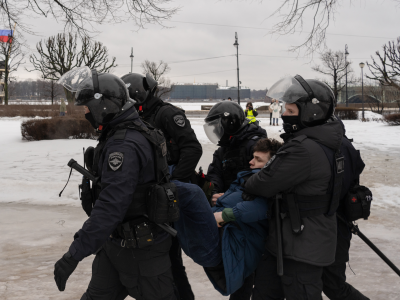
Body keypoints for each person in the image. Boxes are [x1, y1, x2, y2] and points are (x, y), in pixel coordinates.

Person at [54, 66, 176, 300]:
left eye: (88, 107)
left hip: (142, 253)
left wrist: (74, 254)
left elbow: (111, 206)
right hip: (117, 245)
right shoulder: (127, 130)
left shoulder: (124, 146)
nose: (87, 113)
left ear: (104, 105)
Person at [244, 75, 347, 300]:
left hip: (301, 245)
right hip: (298, 239)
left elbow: (262, 184)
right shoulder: (325, 142)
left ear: (311, 112)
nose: (283, 115)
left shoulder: (303, 149)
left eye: (290, 111)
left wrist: (246, 180)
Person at [121, 73, 202, 300]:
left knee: (170, 258)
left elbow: (193, 149)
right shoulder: (139, 116)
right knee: (159, 258)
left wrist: (173, 181)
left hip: (169, 196)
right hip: (151, 197)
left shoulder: (167, 114)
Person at [172, 137, 282, 297]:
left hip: (222, 248)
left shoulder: (268, 184)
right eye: (253, 157)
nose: (251, 162)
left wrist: (226, 214)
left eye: (258, 159)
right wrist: (224, 198)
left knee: (192, 193)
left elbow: (261, 207)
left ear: (270, 164)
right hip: (217, 241)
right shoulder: (248, 179)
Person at [204, 101, 267, 300]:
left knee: (254, 271)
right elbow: (215, 173)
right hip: (231, 213)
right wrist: (213, 190)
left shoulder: (255, 144)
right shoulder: (223, 149)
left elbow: (261, 176)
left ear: (229, 122)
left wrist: (230, 196)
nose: (216, 132)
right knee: (239, 267)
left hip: (251, 213)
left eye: (218, 127)